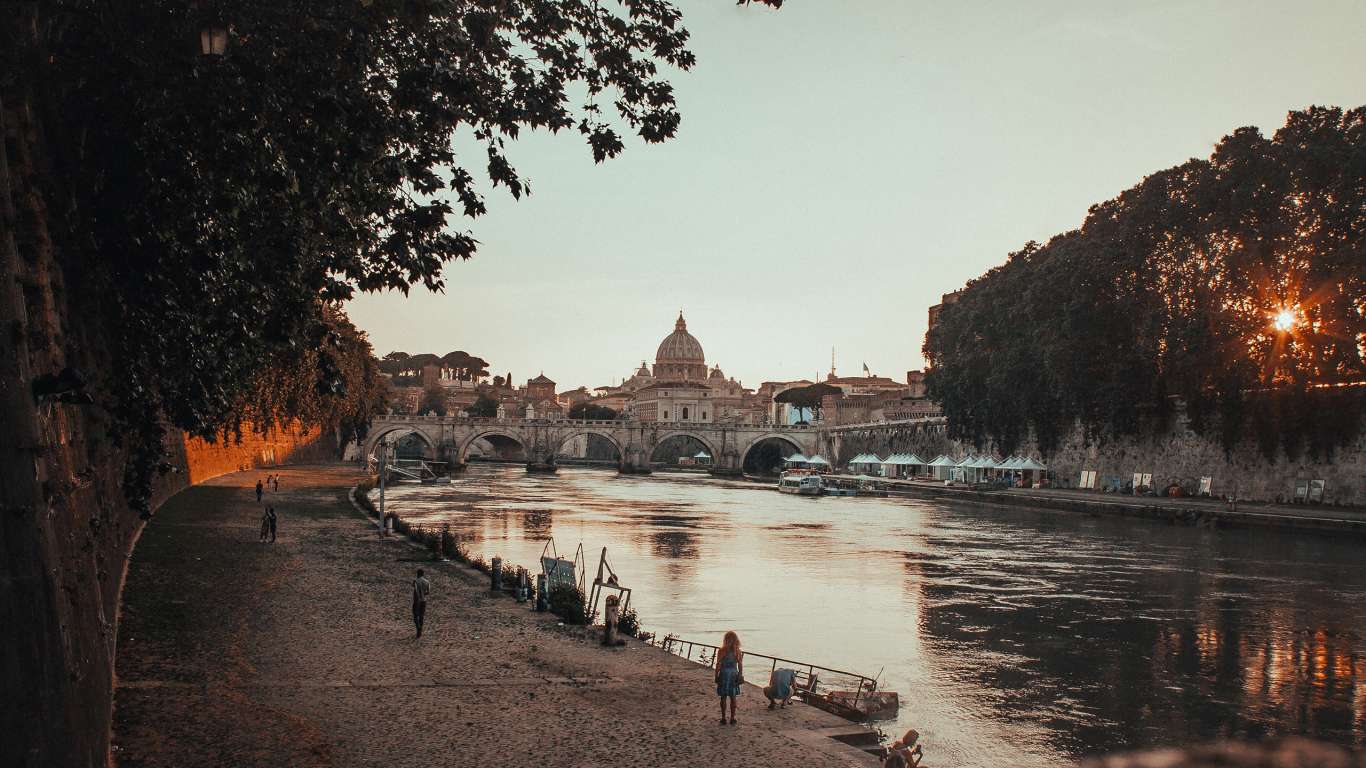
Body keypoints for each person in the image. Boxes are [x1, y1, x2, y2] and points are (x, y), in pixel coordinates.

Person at [715, 630, 743, 725]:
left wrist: (716, 675)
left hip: (724, 674)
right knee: (733, 697)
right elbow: (740, 664)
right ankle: (732, 718)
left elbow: (718, 664)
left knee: (723, 697)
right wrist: (740, 674)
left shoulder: (721, 650)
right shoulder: (737, 651)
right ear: (736, 640)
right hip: (733, 674)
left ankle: (723, 718)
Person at [412, 568, 431, 638]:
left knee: (415, 616)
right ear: (423, 574)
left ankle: (418, 628)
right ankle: (420, 631)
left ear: (417, 574)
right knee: (421, 616)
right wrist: (423, 594)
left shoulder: (415, 581)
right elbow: (428, 592)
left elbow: (415, 590)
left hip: (417, 601)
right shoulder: (427, 582)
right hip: (424, 600)